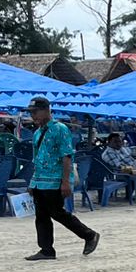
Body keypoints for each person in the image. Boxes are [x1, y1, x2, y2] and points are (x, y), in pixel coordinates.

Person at [22, 97, 100, 261]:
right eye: (32, 113)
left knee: (57, 213)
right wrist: (32, 182)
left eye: (36, 112)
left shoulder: (60, 129)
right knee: (41, 216)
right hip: (40, 181)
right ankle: (46, 249)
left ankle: (88, 234)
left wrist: (66, 181)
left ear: (46, 110)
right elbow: (36, 159)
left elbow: (66, 157)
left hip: (55, 179)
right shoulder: (37, 133)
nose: (33, 116)